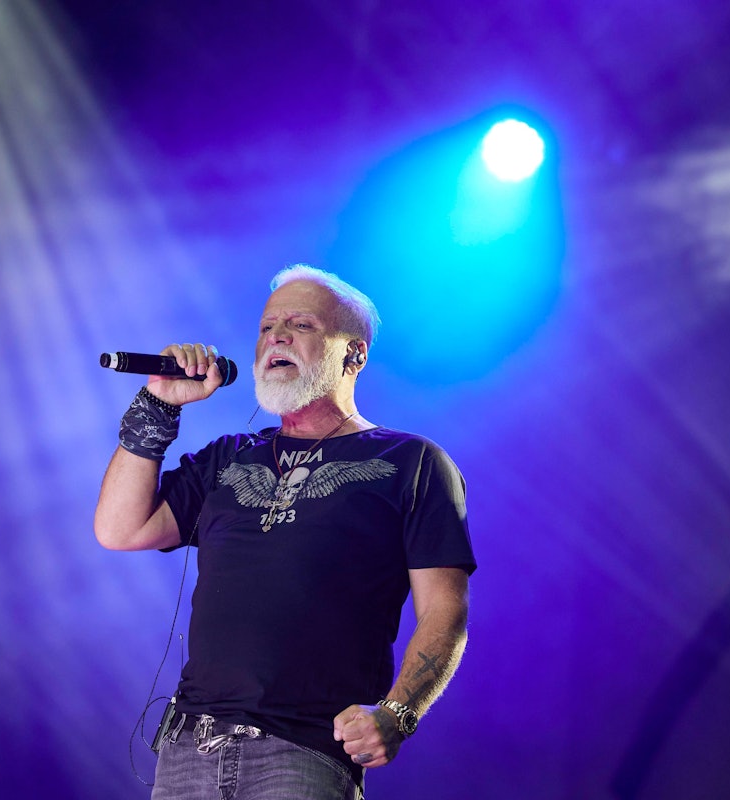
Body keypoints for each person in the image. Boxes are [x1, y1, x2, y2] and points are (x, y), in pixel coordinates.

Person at [95, 264, 475, 800]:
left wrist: (398, 713)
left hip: (302, 755)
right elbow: (119, 528)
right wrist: (156, 405)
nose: (276, 336)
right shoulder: (227, 458)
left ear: (354, 354)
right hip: (187, 755)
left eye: (301, 325)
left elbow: (445, 612)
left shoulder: (410, 462)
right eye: (267, 326)